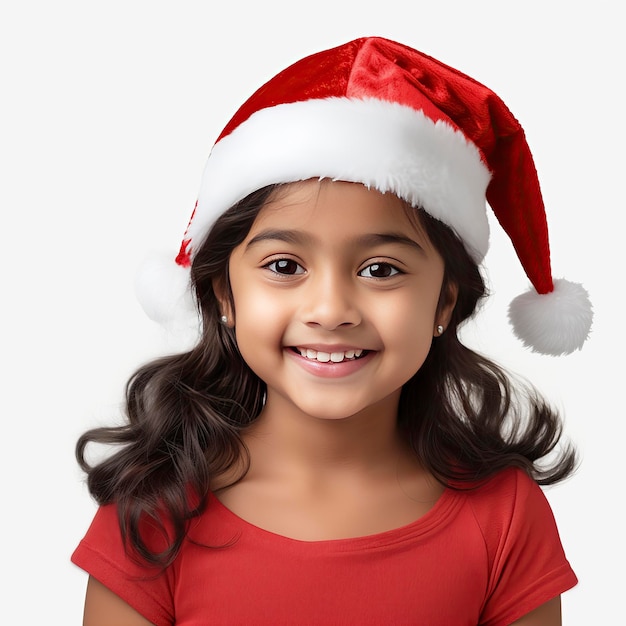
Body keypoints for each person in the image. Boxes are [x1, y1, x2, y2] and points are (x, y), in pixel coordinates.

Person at [72, 36, 593, 625]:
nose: (330, 309)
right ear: (226, 294)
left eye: (380, 270)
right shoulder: (151, 512)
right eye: (284, 266)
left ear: (445, 300)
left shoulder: (504, 515)